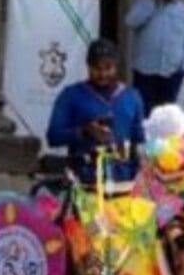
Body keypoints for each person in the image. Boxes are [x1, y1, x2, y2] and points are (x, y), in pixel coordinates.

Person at [46, 39, 146, 184]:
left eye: (108, 68)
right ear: (88, 66)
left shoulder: (132, 97)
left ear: (116, 67)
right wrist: (85, 131)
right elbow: (53, 136)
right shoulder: (71, 95)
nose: (102, 74)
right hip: (84, 180)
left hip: (124, 181)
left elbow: (140, 138)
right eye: (96, 68)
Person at [125, 0, 184, 113]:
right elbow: (130, 21)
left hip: (172, 73)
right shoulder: (145, 3)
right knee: (143, 112)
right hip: (145, 72)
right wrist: (153, 6)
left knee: (166, 114)